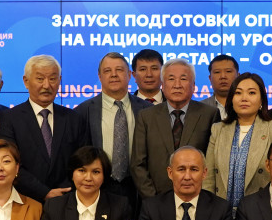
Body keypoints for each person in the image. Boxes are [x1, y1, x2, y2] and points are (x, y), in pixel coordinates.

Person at [0, 56, 91, 204]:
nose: (46, 85)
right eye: (40, 79)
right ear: (26, 81)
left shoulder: (73, 118)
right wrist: (44, 192)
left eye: (52, 79)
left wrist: (64, 191)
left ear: (59, 80)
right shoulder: (10, 118)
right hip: (24, 200)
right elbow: (8, 162)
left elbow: (82, 160)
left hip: (67, 200)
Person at [131, 59, 216, 198]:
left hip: (198, 199)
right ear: (163, 85)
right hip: (155, 199)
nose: (177, 85)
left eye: (183, 79)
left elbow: (212, 164)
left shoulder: (209, 114)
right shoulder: (146, 116)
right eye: (171, 79)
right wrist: (154, 201)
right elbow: (138, 164)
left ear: (194, 86)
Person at [204, 73, 272, 211]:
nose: (244, 98)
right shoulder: (218, 129)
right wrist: (208, 209)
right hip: (221, 212)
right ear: (231, 99)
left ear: (261, 100)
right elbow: (208, 177)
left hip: (262, 211)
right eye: (238, 93)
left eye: (251, 93)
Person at [75, 52, 144, 197]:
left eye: (119, 70)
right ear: (100, 76)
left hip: (138, 190)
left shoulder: (146, 109)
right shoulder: (83, 111)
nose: (113, 75)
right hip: (98, 188)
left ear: (129, 75)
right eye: (107, 71)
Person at [202, 54, 239, 120]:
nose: (223, 76)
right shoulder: (199, 108)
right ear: (210, 78)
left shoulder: (249, 106)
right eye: (217, 72)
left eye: (228, 71)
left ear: (238, 76)